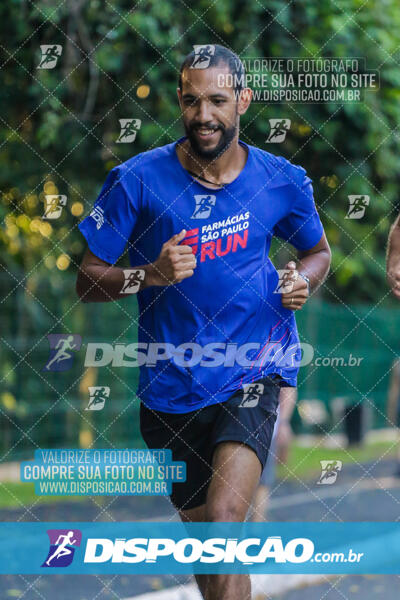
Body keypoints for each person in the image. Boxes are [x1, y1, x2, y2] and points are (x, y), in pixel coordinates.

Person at [76, 44, 331, 600]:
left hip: (252, 368)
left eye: (217, 100)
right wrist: (150, 274)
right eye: (192, 101)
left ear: (244, 99)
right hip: (170, 387)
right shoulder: (137, 180)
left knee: (222, 525)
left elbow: (318, 253)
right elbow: (88, 279)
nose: (203, 115)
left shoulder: (281, 180)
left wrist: (302, 281)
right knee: (215, 567)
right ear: (179, 101)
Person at [250, 387, 297, 521]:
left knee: (262, 483)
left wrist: (283, 423)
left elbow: (288, 389)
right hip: (238, 428)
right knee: (255, 484)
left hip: (266, 430)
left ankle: (254, 534)